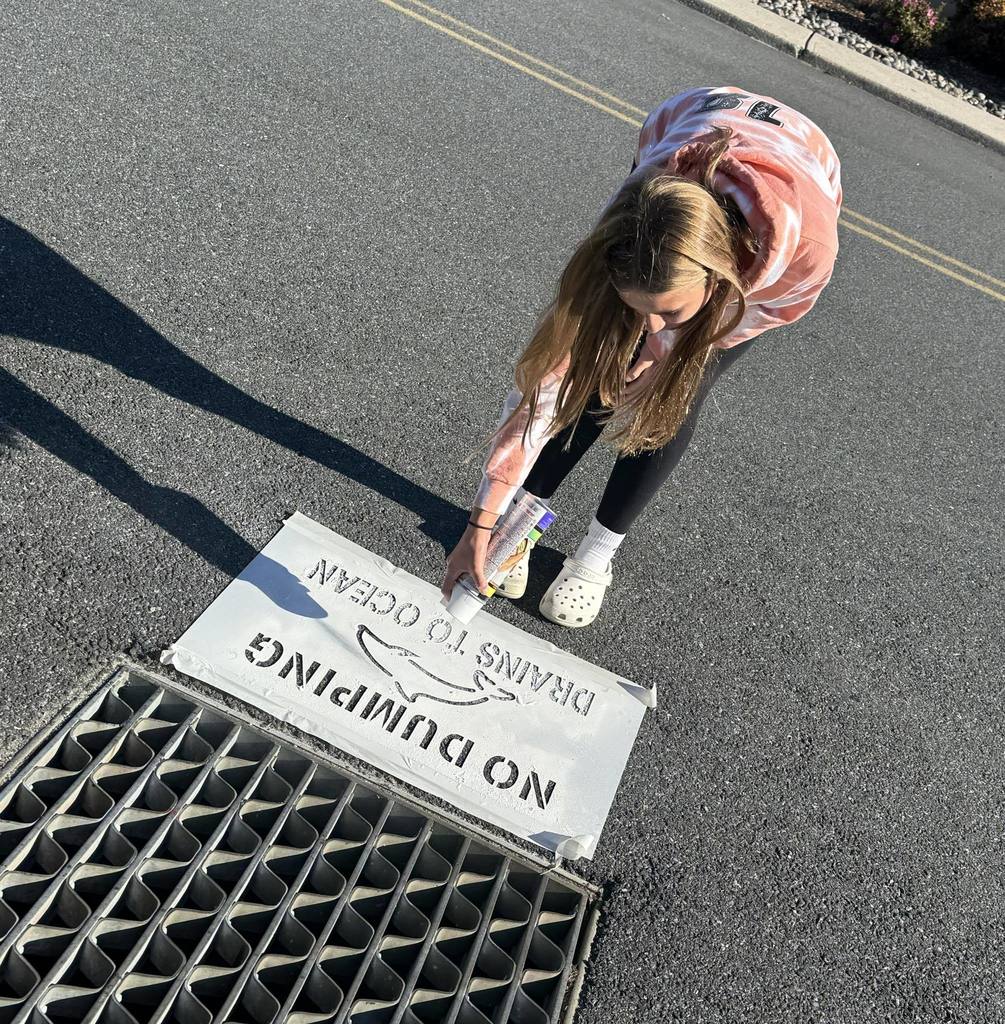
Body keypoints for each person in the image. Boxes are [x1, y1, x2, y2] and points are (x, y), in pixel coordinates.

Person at [441, 85, 843, 627]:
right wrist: (481, 525)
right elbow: (544, 387)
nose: (649, 326)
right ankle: (521, 521)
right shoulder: (635, 209)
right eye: (642, 310)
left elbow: (749, 317)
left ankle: (596, 556)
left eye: (669, 313)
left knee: (679, 391)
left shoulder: (805, 257)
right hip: (689, 120)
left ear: (720, 280)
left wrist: (671, 350)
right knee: (597, 363)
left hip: (804, 173)